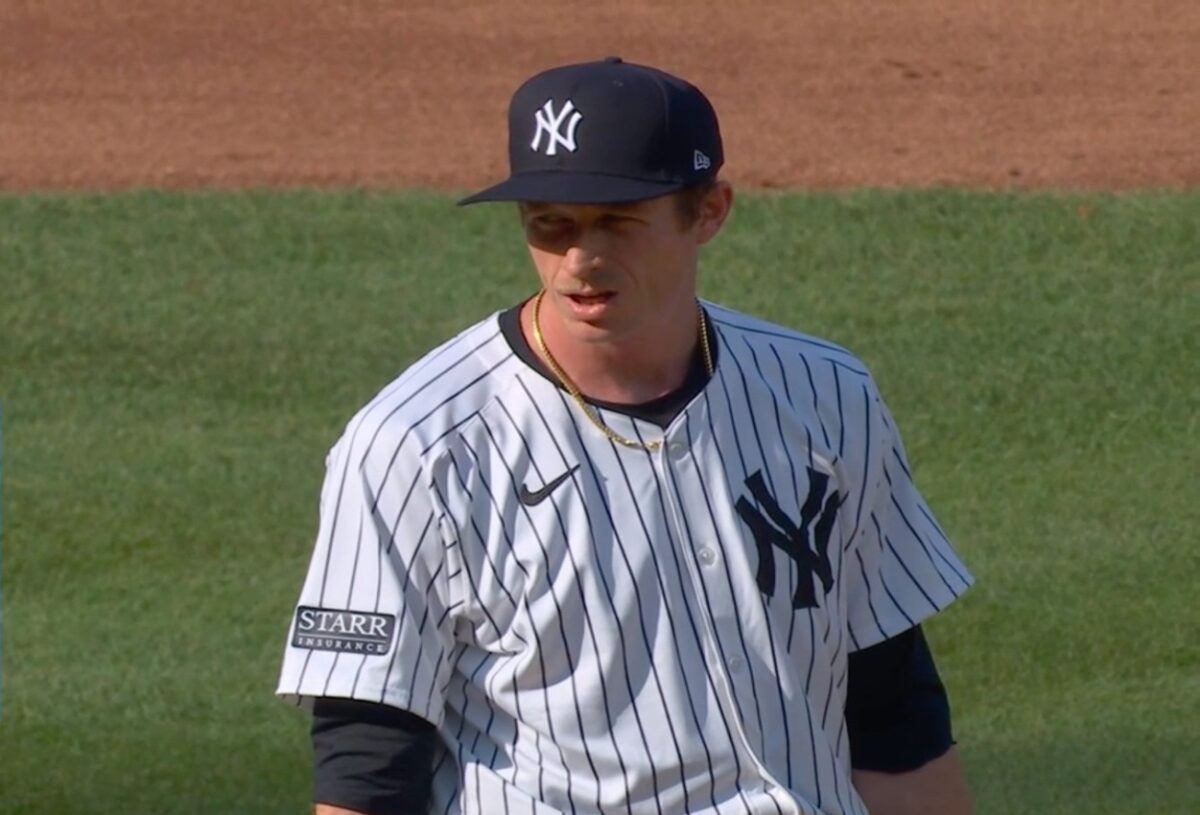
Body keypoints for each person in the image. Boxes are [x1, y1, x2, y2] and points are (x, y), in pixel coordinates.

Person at [277, 57, 975, 815]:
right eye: (552, 223)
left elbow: (892, 703)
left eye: (616, 221)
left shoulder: (826, 395)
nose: (580, 259)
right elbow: (367, 755)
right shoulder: (417, 445)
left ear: (709, 211)